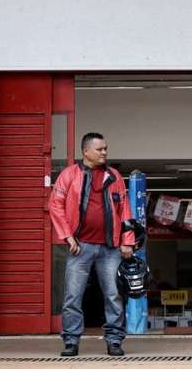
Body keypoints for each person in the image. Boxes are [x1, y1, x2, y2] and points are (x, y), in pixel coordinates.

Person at [48, 132, 135, 357]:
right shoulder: (69, 175)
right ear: (85, 151)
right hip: (80, 246)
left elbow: (124, 211)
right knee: (72, 296)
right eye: (100, 149)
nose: (104, 152)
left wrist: (127, 241)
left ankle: (114, 341)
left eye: (105, 148)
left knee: (114, 295)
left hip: (110, 248)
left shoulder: (114, 176)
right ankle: (71, 342)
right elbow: (55, 205)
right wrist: (67, 236)